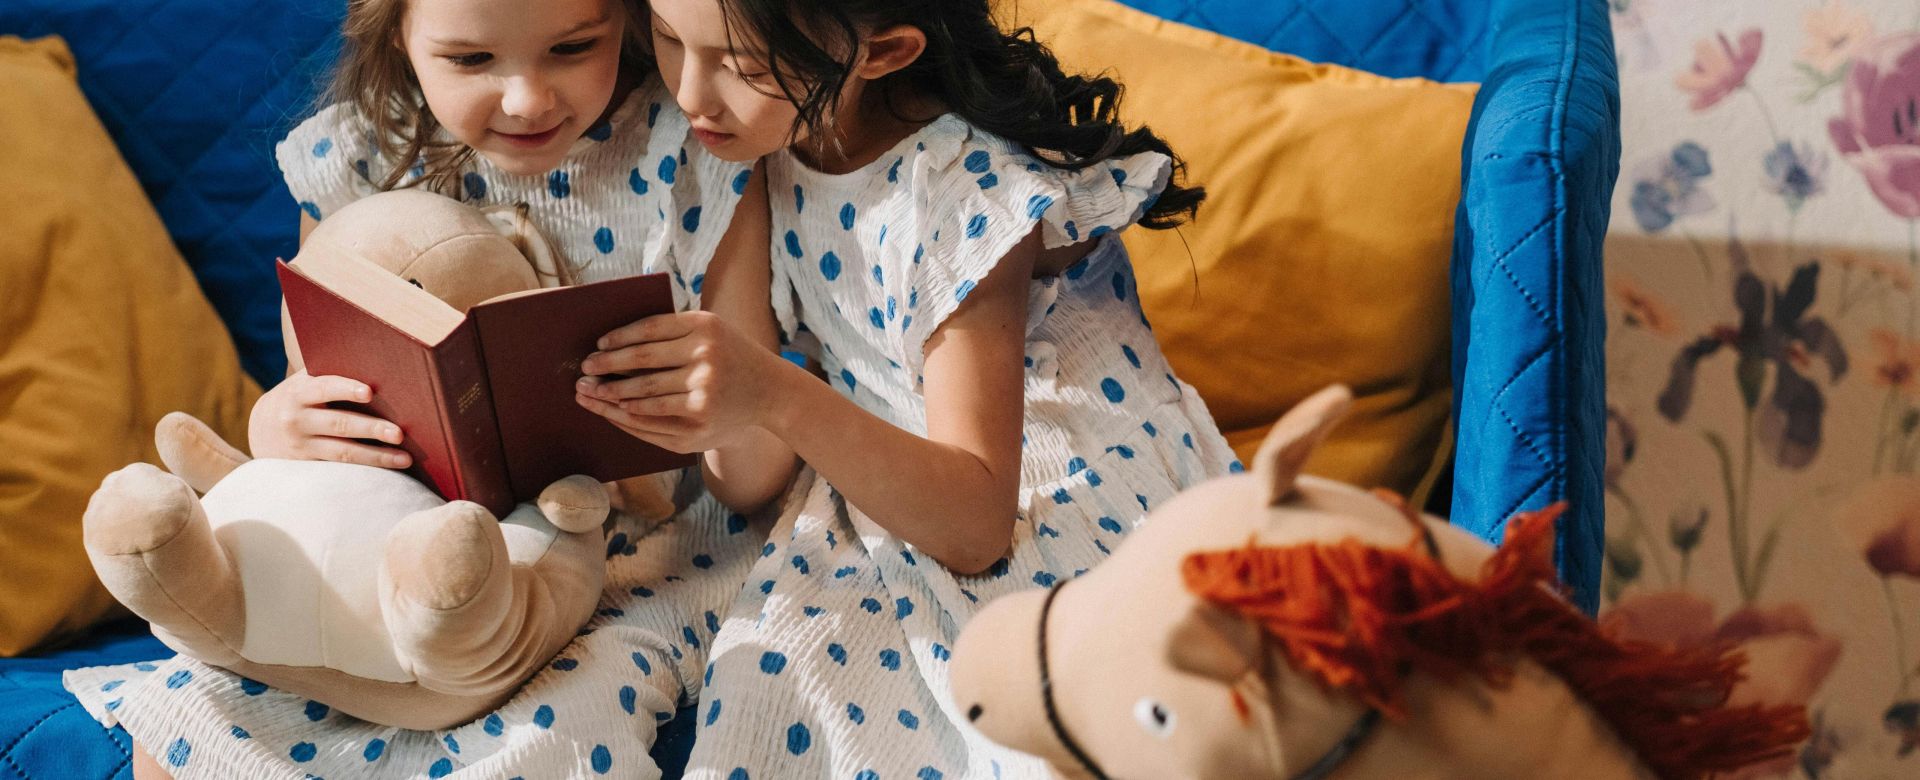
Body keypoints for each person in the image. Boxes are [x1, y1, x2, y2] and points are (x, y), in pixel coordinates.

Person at [572, 0, 1241, 775]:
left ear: (883, 52)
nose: (689, 93)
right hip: (879, 470)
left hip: (1051, 492)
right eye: (665, 33)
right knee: (755, 674)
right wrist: (709, 400)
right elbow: (749, 476)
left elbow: (979, 526)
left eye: (744, 65)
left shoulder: (959, 187)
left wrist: (773, 396)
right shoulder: (765, 135)